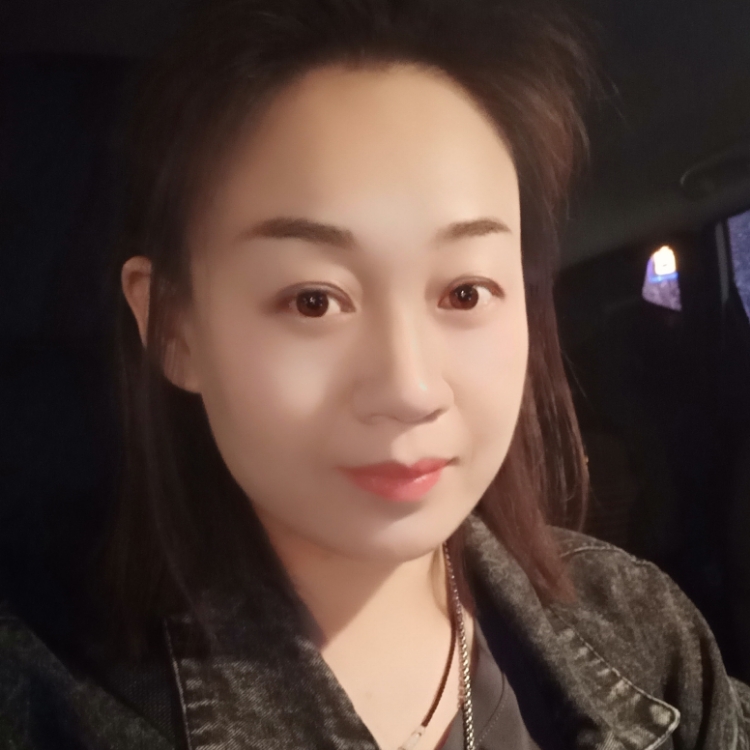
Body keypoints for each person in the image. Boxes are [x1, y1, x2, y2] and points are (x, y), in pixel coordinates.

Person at [1, 0, 749, 748]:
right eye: (314, 300)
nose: (410, 390)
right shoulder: (51, 705)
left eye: (465, 293)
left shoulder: (644, 634)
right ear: (173, 327)